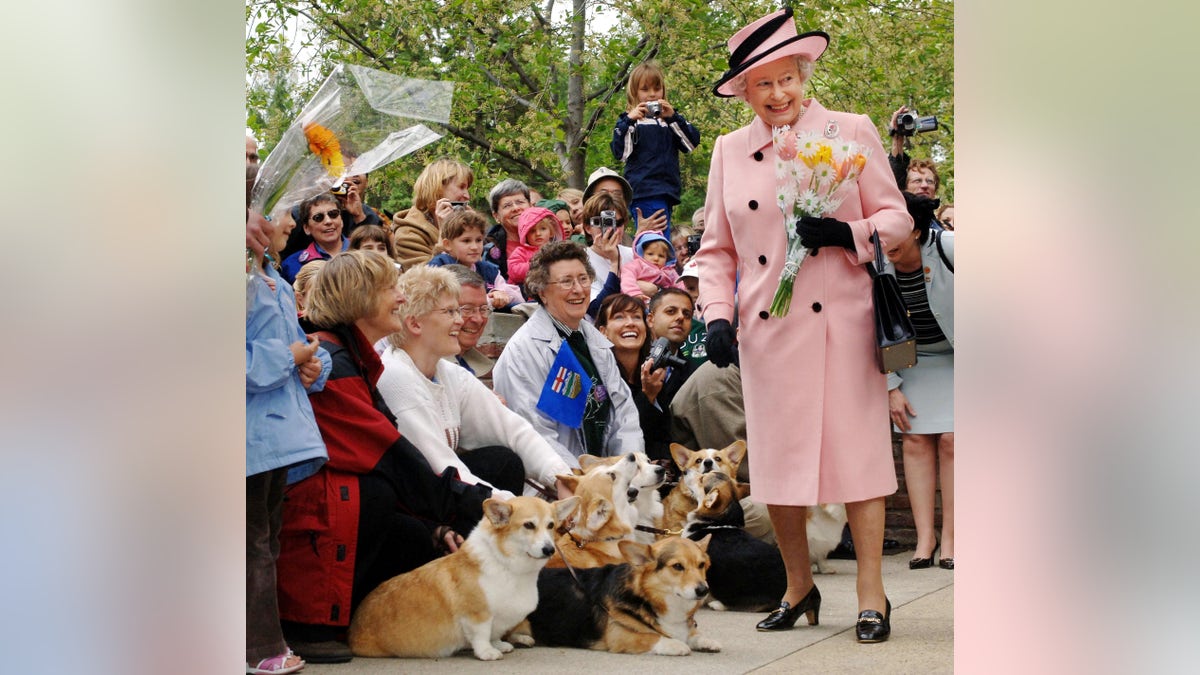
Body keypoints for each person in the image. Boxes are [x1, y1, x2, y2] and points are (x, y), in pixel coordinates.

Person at [700, 8, 912, 642]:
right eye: (761, 84)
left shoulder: (850, 131)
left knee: (860, 460)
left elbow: (898, 220)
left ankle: (872, 595)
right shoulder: (728, 151)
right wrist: (715, 315)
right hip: (769, 330)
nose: (777, 94)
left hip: (845, 329)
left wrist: (848, 233)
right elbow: (716, 249)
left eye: (786, 78)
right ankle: (799, 588)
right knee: (781, 467)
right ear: (744, 91)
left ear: (804, 72)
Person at [276, 250, 493, 664]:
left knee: (437, 512)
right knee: (372, 491)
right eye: (391, 289)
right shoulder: (331, 362)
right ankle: (315, 623)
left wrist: (439, 521)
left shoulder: (353, 356)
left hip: (336, 501)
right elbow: (390, 456)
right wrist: (483, 504)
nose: (400, 297)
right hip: (311, 515)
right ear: (361, 299)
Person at [377, 265, 575, 498]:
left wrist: (562, 478)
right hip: (411, 508)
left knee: (501, 460)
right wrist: (513, 507)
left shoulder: (449, 373)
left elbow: (512, 430)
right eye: (450, 312)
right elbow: (442, 467)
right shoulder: (395, 375)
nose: (460, 321)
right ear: (415, 324)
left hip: (436, 497)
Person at [246, 163, 330, 675]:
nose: (286, 224)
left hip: (279, 434)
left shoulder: (273, 282)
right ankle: (259, 648)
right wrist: (291, 357)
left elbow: (290, 357)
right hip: (250, 438)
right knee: (253, 542)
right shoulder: (247, 285)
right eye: (277, 214)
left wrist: (310, 367)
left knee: (265, 540)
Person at [493, 241, 644, 467]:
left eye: (583, 279)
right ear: (542, 292)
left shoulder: (595, 341)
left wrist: (629, 467)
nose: (578, 289)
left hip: (608, 481)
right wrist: (582, 482)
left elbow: (623, 414)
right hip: (560, 487)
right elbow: (535, 433)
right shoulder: (524, 351)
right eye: (566, 281)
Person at [884, 195, 955, 571]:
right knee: (913, 438)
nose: (888, 250)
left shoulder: (949, 248)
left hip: (960, 356)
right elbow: (876, 326)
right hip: (914, 360)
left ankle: (954, 537)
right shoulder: (878, 261)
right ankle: (925, 537)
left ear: (915, 230)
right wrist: (892, 386)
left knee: (952, 440)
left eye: (895, 242)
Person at [595, 290, 697, 463]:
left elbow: (661, 434)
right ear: (603, 331)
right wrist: (647, 396)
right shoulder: (597, 374)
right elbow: (613, 437)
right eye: (619, 317)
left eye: (636, 317)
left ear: (646, 325)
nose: (630, 324)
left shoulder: (656, 372)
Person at [610, 60, 701, 238]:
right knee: (656, 243)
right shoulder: (630, 122)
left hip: (667, 191)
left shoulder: (670, 120)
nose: (652, 94)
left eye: (657, 88)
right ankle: (655, 266)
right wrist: (629, 120)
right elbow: (620, 154)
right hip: (645, 191)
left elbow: (690, 144)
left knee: (660, 241)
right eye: (645, 89)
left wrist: (673, 117)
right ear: (634, 92)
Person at [427, 207, 522, 311]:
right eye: (466, 241)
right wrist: (489, 300)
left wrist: (499, 293)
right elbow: (440, 301)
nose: (474, 247)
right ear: (448, 244)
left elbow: (519, 298)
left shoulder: (488, 270)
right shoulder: (438, 268)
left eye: (478, 240)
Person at [392, 158, 474, 268]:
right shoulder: (407, 234)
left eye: (467, 188)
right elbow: (426, 280)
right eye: (461, 187)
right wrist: (444, 234)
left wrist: (473, 231)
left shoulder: (460, 224)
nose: (467, 196)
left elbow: (480, 273)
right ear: (438, 188)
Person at [441, 265, 499, 382]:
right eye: (466, 309)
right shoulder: (425, 369)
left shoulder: (468, 366)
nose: (478, 319)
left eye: (483, 309)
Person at [280, 194, 349, 284]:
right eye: (318, 217)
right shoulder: (292, 264)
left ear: (342, 221)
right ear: (307, 228)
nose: (328, 221)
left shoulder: (363, 248)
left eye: (333, 214)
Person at [484, 178, 532, 277]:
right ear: (496, 216)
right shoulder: (490, 246)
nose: (515, 208)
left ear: (531, 206)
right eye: (507, 205)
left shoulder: (548, 236)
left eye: (520, 202)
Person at [506, 205, 563, 286]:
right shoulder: (521, 251)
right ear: (525, 235)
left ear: (551, 232)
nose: (538, 234)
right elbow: (513, 271)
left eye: (543, 228)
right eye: (532, 231)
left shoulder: (558, 250)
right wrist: (535, 264)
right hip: (527, 292)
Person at [620, 230, 679, 302]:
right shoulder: (636, 265)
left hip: (662, 304)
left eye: (661, 256)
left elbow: (679, 284)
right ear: (642, 253)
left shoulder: (670, 271)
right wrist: (635, 294)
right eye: (650, 254)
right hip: (638, 301)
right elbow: (627, 280)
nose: (656, 258)